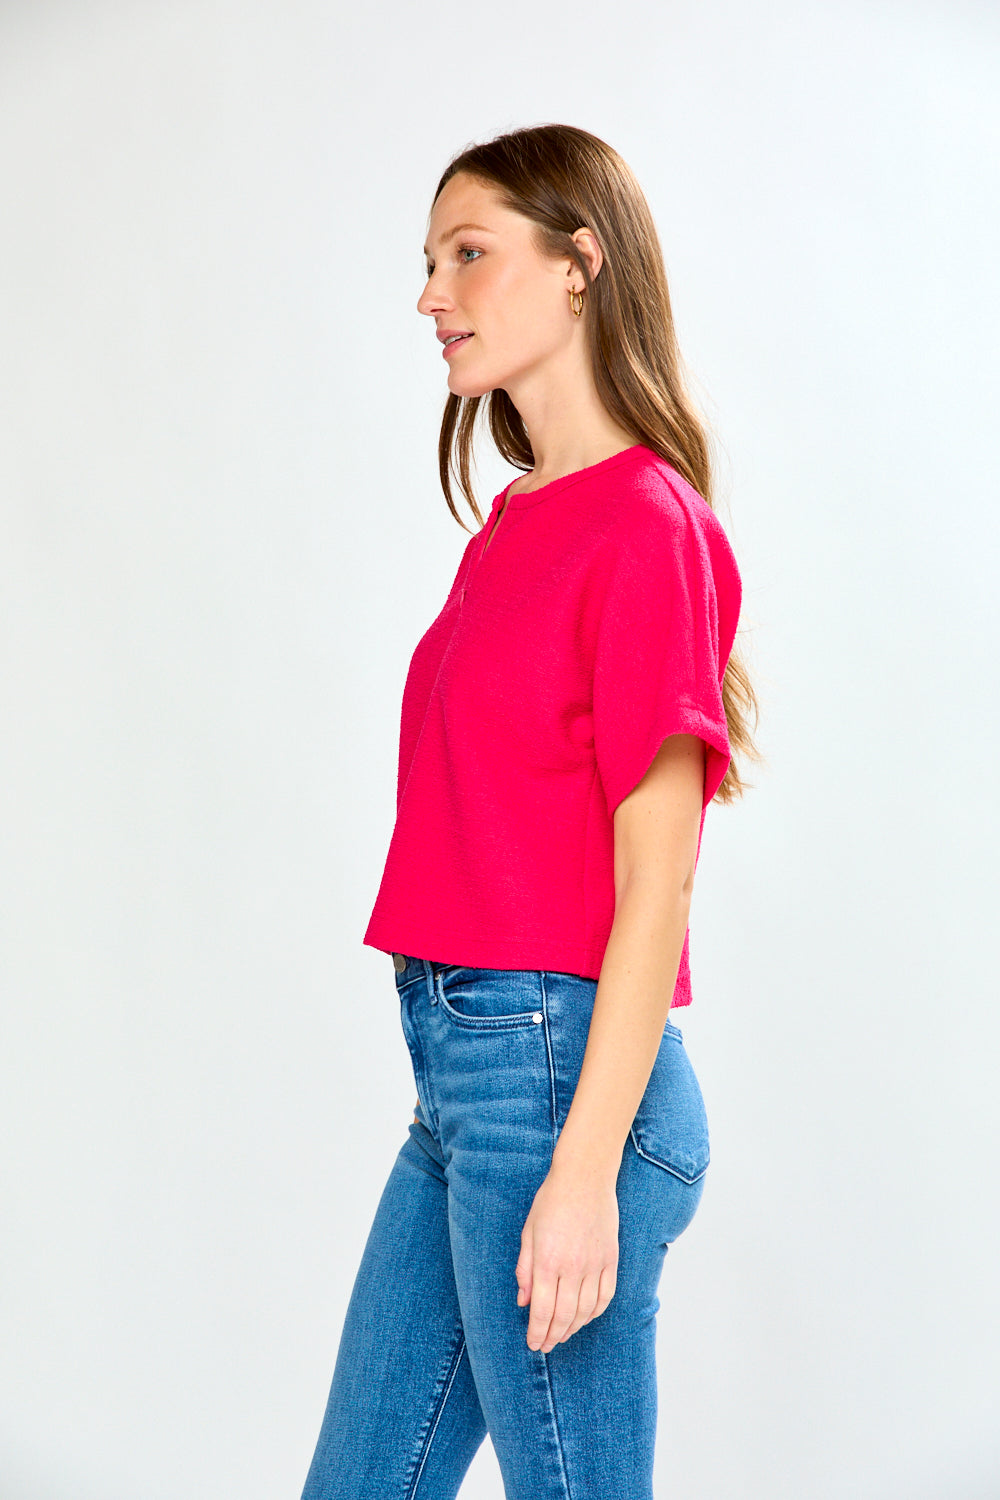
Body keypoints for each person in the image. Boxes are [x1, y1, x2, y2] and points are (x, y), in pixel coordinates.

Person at [300, 122, 760, 1500]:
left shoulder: (646, 526)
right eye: (431, 263)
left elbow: (658, 881)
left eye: (470, 254)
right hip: (464, 1087)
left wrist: (581, 1172)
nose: (432, 294)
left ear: (581, 266)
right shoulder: (518, 525)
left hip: (558, 1089)